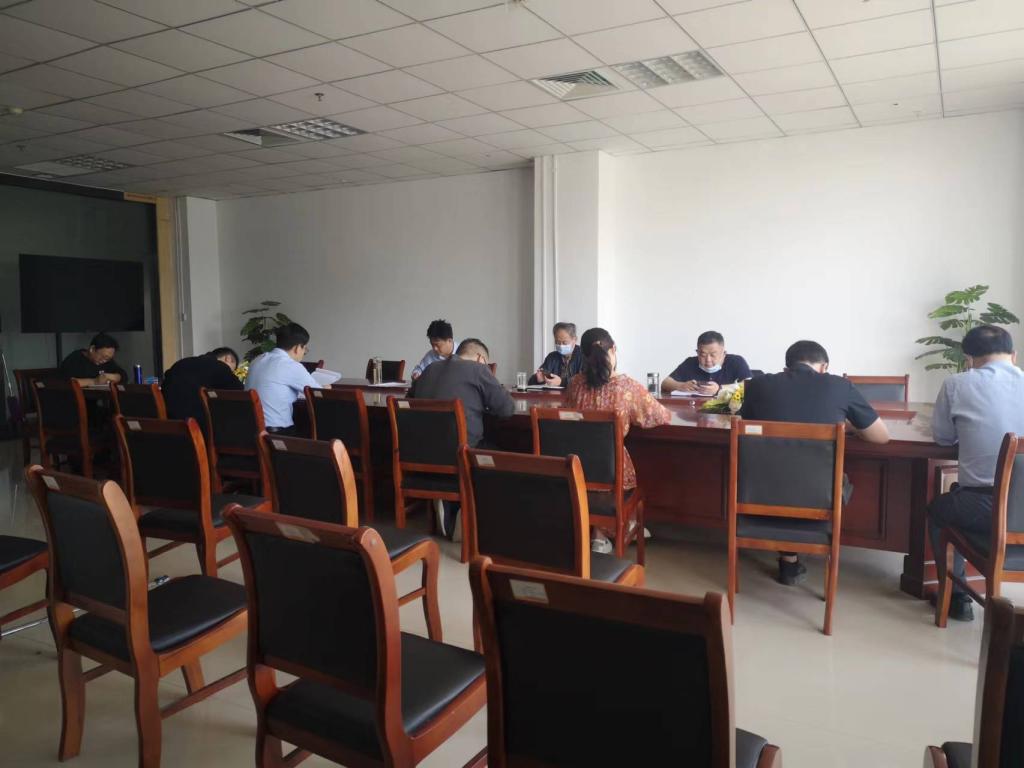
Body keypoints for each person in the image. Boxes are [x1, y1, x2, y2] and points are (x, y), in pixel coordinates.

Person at [739, 340, 890, 585]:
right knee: (814, 479)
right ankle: (804, 550)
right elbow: (880, 436)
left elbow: (750, 424)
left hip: (760, 489)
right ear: (824, 367)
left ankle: (789, 560)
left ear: (786, 368)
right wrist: (846, 426)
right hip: (818, 494)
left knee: (785, 473)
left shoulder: (757, 385)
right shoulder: (840, 386)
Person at [928, 325, 1024, 622]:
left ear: (968, 359)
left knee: (940, 508)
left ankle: (956, 599)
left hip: (986, 506)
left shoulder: (957, 384)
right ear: (1014, 354)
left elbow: (943, 437)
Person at [564, 327, 672, 553]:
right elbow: (660, 416)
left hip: (575, 470)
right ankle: (610, 530)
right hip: (612, 473)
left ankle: (599, 533)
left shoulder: (574, 384)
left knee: (594, 474)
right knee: (626, 478)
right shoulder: (626, 387)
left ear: (582, 355)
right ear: (613, 349)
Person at [409, 337, 514, 539]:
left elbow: (410, 399)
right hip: (461, 454)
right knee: (504, 457)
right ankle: (472, 517)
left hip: (422, 453)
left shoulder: (429, 369)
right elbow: (507, 409)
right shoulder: (478, 370)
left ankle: (449, 504)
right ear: (480, 358)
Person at [244, 323, 320, 435]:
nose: (304, 352)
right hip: (276, 434)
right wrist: (326, 387)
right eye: (304, 348)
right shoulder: (290, 365)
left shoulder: (257, 360)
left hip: (250, 431)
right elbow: (318, 394)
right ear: (297, 348)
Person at [162, 347, 243, 427]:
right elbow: (239, 391)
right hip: (196, 427)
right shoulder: (220, 367)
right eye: (232, 371)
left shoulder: (181, 363)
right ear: (228, 359)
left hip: (169, 425)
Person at [662, 330, 751, 395]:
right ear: (697, 353)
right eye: (703, 355)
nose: (708, 359)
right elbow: (665, 383)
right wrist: (680, 385)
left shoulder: (736, 362)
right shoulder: (690, 362)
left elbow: (749, 385)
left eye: (713, 355)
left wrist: (720, 389)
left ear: (724, 354)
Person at [59, 332, 127, 385]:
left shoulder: (106, 362)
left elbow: (123, 375)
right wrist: (94, 381)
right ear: (92, 349)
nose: (104, 361)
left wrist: (114, 377)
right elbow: (67, 382)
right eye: (103, 357)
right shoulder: (75, 359)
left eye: (108, 359)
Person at [530, 321, 584, 388]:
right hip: (554, 394)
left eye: (565, 342)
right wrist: (538, 379)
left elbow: (585, 382)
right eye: (557, 342)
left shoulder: (584, 356)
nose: (561, 345)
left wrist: (562, 382)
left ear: (574, 339)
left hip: (576, 394)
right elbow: (531, 382)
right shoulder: (552, 357)